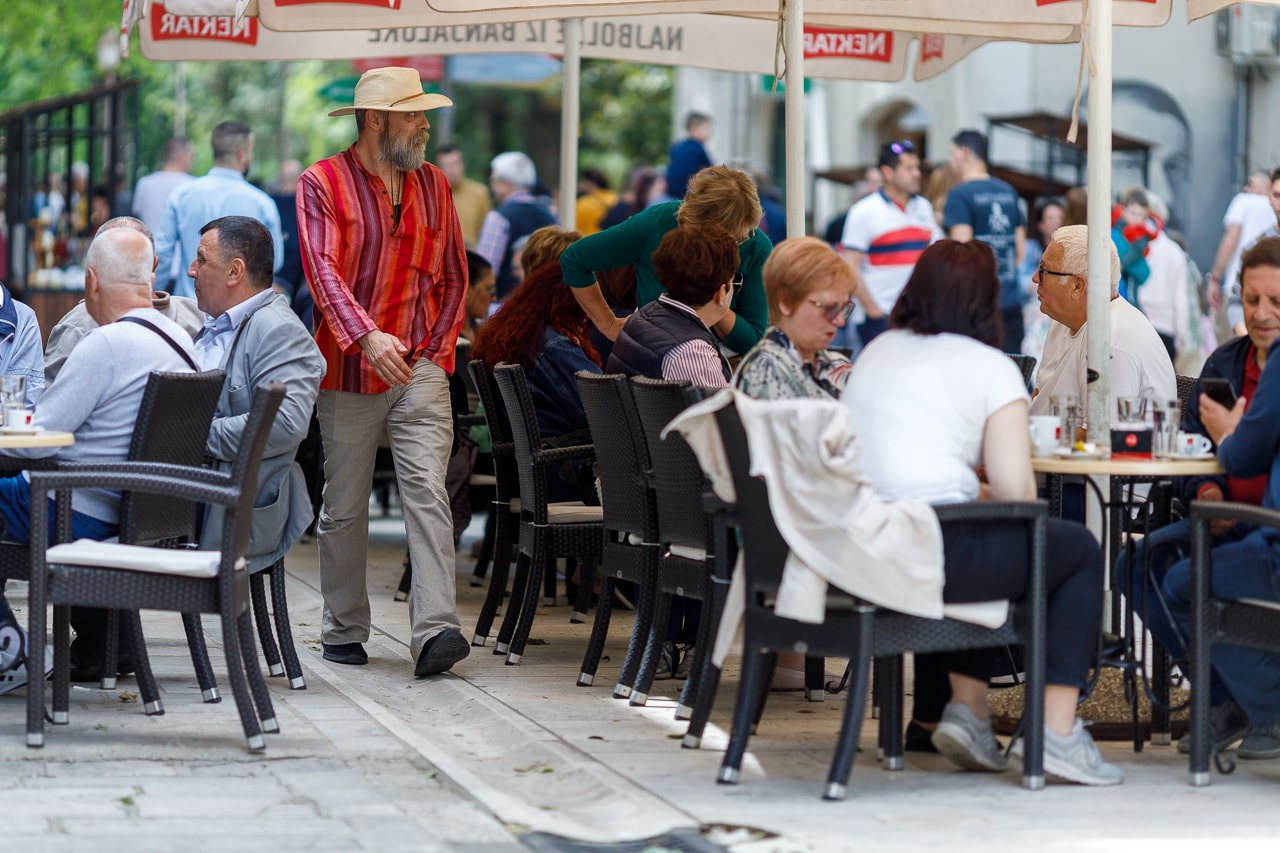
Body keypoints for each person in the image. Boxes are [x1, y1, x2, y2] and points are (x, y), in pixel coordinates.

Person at [844, 239, 1120, 786]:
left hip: (858, 550)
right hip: (932, 549)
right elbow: (1018, 494)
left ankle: (962, 712)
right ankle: (1059, 732)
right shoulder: (989, 366)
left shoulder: (875, 351)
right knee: (1075, 551)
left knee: (985, 534)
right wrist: (989, 494)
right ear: (986, 301)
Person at [296, 66, 471, 678]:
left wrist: (436, 350)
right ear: (377, 120)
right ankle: (343, 628)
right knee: (344, 506)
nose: (425, 124)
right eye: (414, 113)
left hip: (420, 361)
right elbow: (321, 270)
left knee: (428, 491)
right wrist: (366, 337)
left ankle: (436, 630)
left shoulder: (436, 186)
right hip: (348, 362)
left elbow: (453, 277)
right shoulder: (320, 183)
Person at [1115, 236, 1280, 760]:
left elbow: (1243, 450)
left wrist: (1231, 434)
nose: (1261, 313)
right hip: (1219, 514)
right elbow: (1190, 442)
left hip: (1267, 527)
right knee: (1137, 565)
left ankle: (1262, 708)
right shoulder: (1225, 363)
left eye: (1275, 301)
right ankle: (1228, 696)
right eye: (1251, 299)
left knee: (1186, 580)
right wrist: (1204, 491)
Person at [15, 228, 200, 681]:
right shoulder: (183, 342)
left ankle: (8, 643)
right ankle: (99, 646)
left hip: (75, 511)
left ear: (91, 282)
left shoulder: (105, 343)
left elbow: (37, 436)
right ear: (147, 276)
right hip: (145, 512)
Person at [186, 215, 324, 573]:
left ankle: (106, 627)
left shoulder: (278, 329)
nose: (191, 270)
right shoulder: (219, 322)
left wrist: (186, 437)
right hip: (193, 489)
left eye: (201, 259)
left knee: (77, 504)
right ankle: (108, 627)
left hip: (223, 506)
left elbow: (284, 424)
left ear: (235, 272)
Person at [560, 165, 772, 357]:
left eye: (738, 238)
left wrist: (717, 305)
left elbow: (753, 340)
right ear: (690, 222)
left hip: (718, 366)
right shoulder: (656, 222)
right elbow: (574, 260)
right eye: (725, 238)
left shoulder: (754, 242)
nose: (730, 246)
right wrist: (608, 325)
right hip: (656, 363)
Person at [1029, 225, 1177, 429]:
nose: (1035, 278)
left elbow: (1100, 438)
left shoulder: (1112, 337)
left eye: (1044, 271)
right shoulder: (1062, 320)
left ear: (1077, 286)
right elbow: (1039, 396)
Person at [472, 227, 599, 442]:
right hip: (570, 467)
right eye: (587, 276)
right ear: (568, 280)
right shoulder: (551, 344)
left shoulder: (516, 331)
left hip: (541, 466)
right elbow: (607, 415)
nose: (593, 285)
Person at [44, 217, 206, 384]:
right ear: (154, 267)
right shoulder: (197, 317)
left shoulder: (82, 328)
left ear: (92, 275)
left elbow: (47, 402)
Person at [154, 121, 284, 298]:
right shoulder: (262, 203)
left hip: (189, 307)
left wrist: (156, 297)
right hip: (241, 313)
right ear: (242, 155)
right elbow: (273, 263)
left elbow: (162, 252)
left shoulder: (182, 195)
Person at [608, 224, 735, 387]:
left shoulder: (643, 316)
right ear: (721, 293)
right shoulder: (692, 352)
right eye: (735, 283)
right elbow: (722, 412)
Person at [841, 139, 941, 345]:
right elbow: (850, 265)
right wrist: (873, 312)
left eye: (917, 167)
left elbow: (936, 256)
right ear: (888, 173)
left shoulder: (924, 207)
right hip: (880, 318)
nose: (917, 174)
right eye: (909, 168)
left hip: (919, 317)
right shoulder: (864, 211)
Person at [735, 236, 854, 400]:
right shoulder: (767, 370)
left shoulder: (832, 362)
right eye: (829, 308)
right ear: (785, 303)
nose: (840, 321)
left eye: (843, 308)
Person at [945, 129, 1027, 352]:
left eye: (952, 154)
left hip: (977, 304)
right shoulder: (1008, 192)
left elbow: (962, 251)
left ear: (964, 153)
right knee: (1012, 370)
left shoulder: (959, 195)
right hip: (1010, 300)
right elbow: (1020, 250)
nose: (950, 162)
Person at [476, 151, 556, 298]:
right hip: (546, 301)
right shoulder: (550, 216)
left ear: (505, 183)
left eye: (493, 180)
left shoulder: (499, 218)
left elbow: (484, 272)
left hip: (506, 304)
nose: (492, 187)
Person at [1207, 170, 1276, 341]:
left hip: (1242, 290)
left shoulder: (1243, 201)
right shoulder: (1268, 211)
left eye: (1251, 184)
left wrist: (1215, 277)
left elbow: (1231, 238)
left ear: (1266, 185)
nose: (1246, 188)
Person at [130, 137, 194, 234]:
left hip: (150, 246)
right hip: (180, 248)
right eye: (191, 156)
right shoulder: (192, 185)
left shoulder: (144, 183)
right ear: (182, 157)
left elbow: (137, 218)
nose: (192, 161)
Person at [437, 145, 491, 248]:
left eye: (455, 164)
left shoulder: (480, 193)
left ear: (463, 164)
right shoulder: (434, 195)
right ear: (439, 168)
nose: (452, 170)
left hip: (471, 258)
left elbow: (487, 232)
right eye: (446, 165)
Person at [268, 159, 306, 299]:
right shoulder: (307, 207)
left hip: (265, 287)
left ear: (279, 178)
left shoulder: (267, 203)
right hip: (295, 290)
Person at [665, 112, 713, 201]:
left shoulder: (676, 146)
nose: (709, 132)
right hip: (689, 195)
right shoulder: (697, 147)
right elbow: (712, 171)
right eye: (706, 128)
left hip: (671, 195)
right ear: (694, 128)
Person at [575, 168, 618, 236]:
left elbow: (572, 228)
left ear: (589, 183)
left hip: (588, 242)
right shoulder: (616, 199)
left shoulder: (584, 203)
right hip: (611, 241)